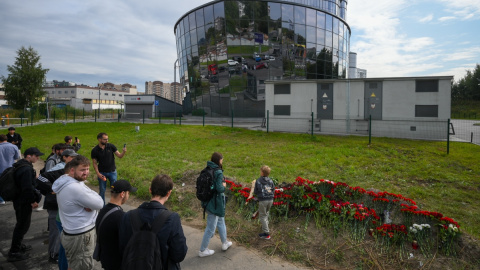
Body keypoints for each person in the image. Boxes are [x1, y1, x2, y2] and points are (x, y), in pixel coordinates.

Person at [119, 174, 187, 269]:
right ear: (169, 193)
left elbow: (123, 247)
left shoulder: (128, 216)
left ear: (150, 189)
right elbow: (179, 253)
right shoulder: (172, 218)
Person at [52, 155, 104, 270]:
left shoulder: (66, 180)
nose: (86, 173)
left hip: (71, 233)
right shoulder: (75, 188)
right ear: (72, 170)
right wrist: (91, 201)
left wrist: (89, 201)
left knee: (73, 263)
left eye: (87, 169)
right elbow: (100, 203)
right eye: (82, 170)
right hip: (80, 236)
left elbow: (92, 199)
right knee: (82, 266)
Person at [36, 149, 79, 264]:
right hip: (54, 205)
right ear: (65, 157)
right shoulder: (59, 168)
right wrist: (52, 188)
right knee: (55, 231)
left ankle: (58, 252)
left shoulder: (70, 170)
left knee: (60, 230)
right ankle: (53, 254)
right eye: (72, 157)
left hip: (62, 205)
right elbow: (40, 177)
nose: (74, 159)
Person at [7, 147, 43, 262]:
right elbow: (27, 188)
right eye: (36, 156)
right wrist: (33, 201)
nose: (38, 158)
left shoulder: (21, 165)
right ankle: (14, 251)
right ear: (28, 155)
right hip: (23, 202)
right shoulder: (26, 169)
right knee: (22, 225)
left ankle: (19, 245)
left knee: (21, 224)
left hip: (19, 200)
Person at [96, 179, 137, 270]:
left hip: (106, 258)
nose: (128, 196)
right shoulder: (121, 217)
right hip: (117, 262)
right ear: (122, 194)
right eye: (128, 193)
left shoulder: (103, 210)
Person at [198, 152, 232, 257]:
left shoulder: (208, 168)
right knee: (211, 228)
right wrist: (224, 185)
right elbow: (219, 188)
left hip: (208, 202)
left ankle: (224, 243)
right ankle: (202, 250)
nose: (222, 161)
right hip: (215, 204)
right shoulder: (218, 172)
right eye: (222, 159)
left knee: (221, 221)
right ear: (219, 160)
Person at [91, 132, 126, 203]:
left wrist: (123, 152)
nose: (107, 140)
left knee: (115, 190)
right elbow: (94, 163)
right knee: (102, 190)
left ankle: (114, 204)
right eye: (105, 139)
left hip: (112, 172)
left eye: (107, 139)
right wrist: (98, 173)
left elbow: (119, 156)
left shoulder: (111, 146)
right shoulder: (95, 150)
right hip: (102, 173)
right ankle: (102, 206)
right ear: (99, 139)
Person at [247, 165, 275, 240]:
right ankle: (266, 226)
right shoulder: (271, 181)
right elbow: (273, 190)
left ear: (262, 173)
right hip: (271, 199)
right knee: (267, 213)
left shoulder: (258, 181)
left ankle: (266, 234)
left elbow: (255, 191)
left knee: (262, 216)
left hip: (263, 200)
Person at [0, 134, 20, 204]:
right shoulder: (14, 146)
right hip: (10, 168)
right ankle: (11, 197)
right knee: (11, 183)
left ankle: (2, 199)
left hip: (1, 168)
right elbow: (17, 157)